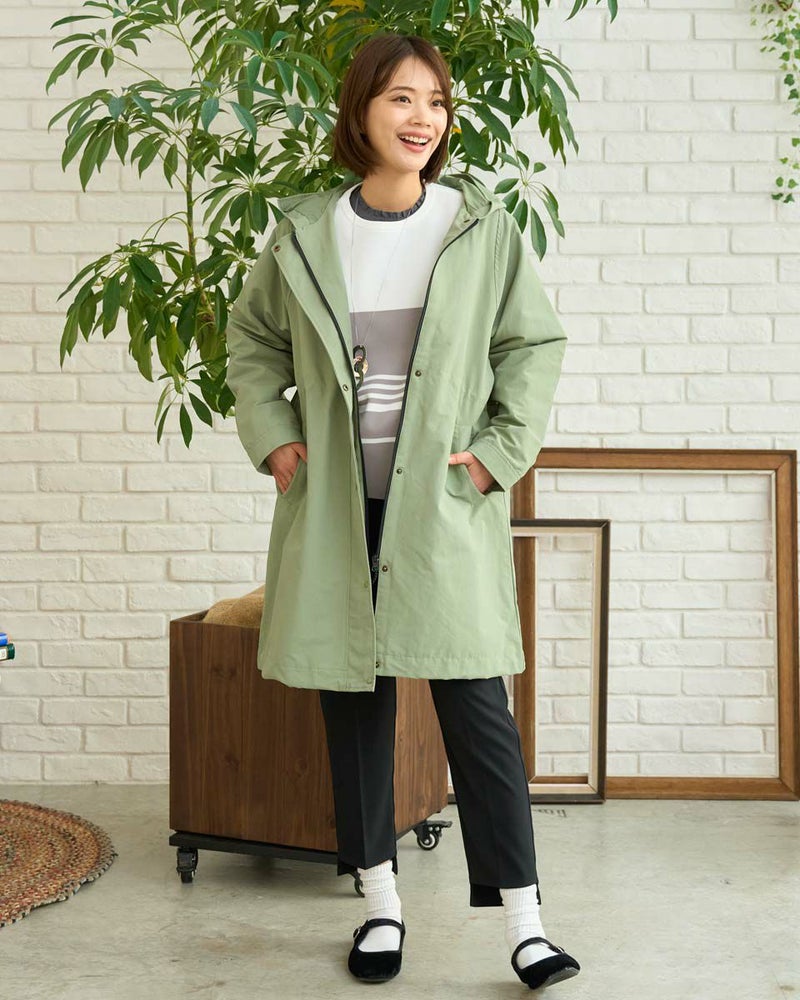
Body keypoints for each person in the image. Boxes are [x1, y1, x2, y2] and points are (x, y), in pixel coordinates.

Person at [225, 30, 580, 991]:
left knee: (478, 714)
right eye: (400, 98)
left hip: (442, 507)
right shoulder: (305, 231)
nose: (423, 118)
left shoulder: (479, 227)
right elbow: (252, 340)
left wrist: (498, 456)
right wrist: (275, 436)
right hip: (339, 510)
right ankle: (379, 904)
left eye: (435, 101)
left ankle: (526, 926)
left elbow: (533, 345)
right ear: (361, 111)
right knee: (355, 712)